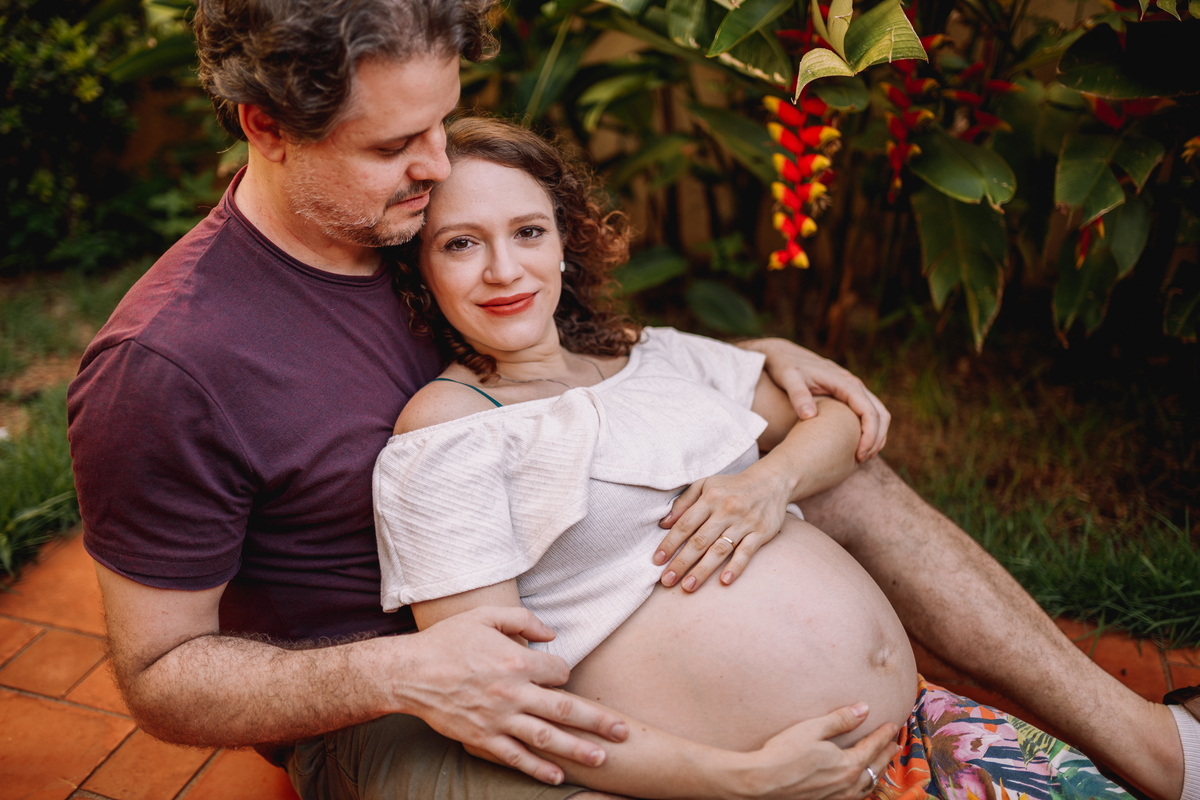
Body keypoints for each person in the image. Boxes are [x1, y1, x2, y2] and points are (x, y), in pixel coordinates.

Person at [63, 0, 1197, 798]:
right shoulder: (169, 367)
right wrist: (400, 669)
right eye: (396, 143)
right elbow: (161, 675)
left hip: (570, 592)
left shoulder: (425, 230)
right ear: (264, 125)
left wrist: (728, 361)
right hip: (388, 702)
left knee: (837, 470)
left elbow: (571, 348)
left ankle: (1151, 747)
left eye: (444, 123)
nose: (434, 162)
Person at [371, 115, 1175, 799]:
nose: (505, 270)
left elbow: (836, 420)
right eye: (461, 244)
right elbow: (496, 707)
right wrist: (741, 776)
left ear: (565, 242)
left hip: (925, 736)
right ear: (419, 268)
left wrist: (769, 481)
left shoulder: (643, 356)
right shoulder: (447, 433)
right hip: (750, 786)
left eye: (529, 232)